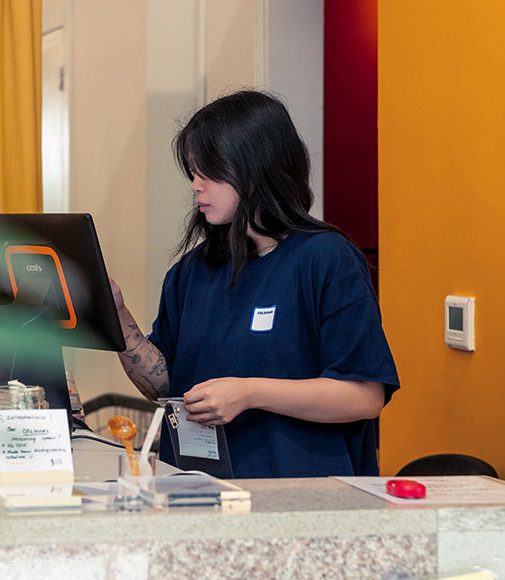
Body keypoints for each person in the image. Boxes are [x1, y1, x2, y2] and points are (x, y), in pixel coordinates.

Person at [111, 89, 400, 478]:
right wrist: (116, 314)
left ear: (254, 168)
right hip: (196, 489)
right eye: (193, 173)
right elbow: (167, 384)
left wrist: (249, 393)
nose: (196, 186)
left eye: (208, 172)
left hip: (300, 495)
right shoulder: (191, 272)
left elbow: (365, 396)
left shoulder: (325, 258)